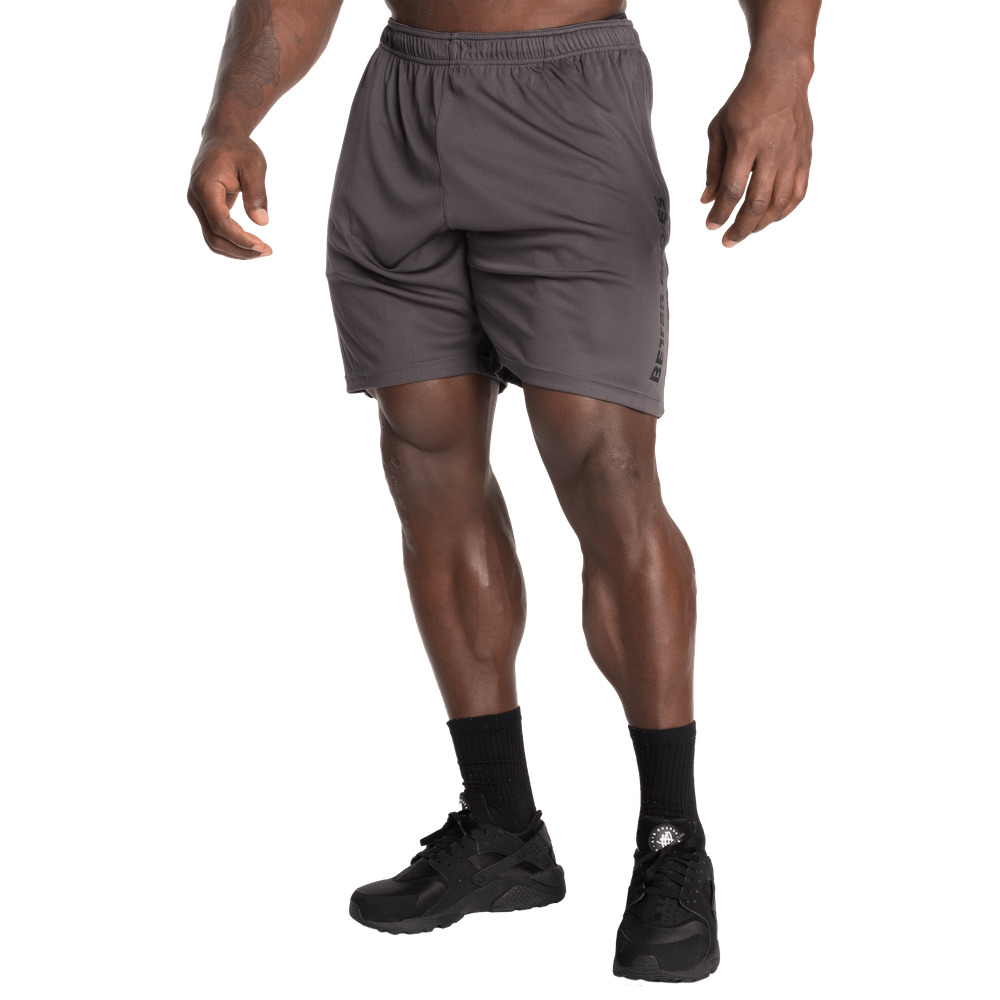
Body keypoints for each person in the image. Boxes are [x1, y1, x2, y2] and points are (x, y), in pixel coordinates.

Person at [185, 0, 820, 983]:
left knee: (607, 471)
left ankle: (672, 840)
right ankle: (502, 828)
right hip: (399, 109)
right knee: (425, 459)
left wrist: (782, 66)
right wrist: (230, 121)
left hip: (568, 96)